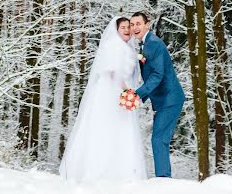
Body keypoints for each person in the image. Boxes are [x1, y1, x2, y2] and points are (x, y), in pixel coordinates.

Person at [59, 16, 146, 182]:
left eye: (129, 27)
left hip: (119, 91)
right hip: (110, 92)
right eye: (123, 27)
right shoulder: (113, 45)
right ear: (116, 30)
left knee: (120, 129)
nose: (127, 30)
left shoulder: (126, 48)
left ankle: (121, 170)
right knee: (106, 127)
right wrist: (127, 91)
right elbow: (113, 72)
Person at [130, 11, 185, 178]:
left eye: (138, 23)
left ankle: (163, 180)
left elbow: (157, 75)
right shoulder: (145, 44)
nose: (134, 28)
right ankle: (163, 178)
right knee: (160, 139)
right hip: (164, 100)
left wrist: (138, 94)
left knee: (159, 139)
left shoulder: (153, 43)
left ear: (147, 24)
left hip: (170, 98)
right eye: (132, 25)